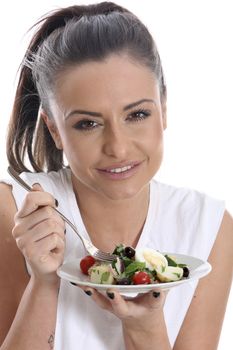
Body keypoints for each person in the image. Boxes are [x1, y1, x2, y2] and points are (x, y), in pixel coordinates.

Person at [0, 2, 232, 349]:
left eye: (137, 114)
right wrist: (44, 281)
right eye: (87, 123)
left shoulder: (209, 226)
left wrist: (146, 327)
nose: (118, 149)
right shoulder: (14, 213)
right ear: (54, 129)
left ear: (163, 108)